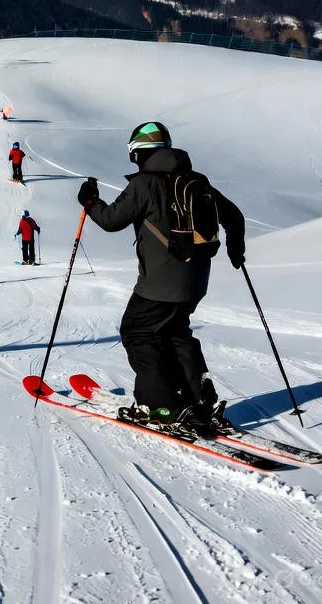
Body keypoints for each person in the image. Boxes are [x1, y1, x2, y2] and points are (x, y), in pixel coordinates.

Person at [78, 121, 246, 435]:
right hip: (195, 280)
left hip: (159, 282)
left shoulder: (145, 184)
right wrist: (237, 250)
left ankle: (158, 405)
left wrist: (90, 202)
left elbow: (111, 220)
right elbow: (233, 215)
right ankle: (200, 401)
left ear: (139, 153)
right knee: (176, 333)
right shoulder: (197, 180)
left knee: (138, 332)